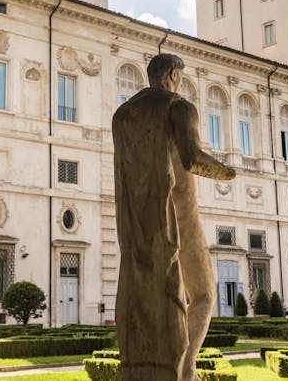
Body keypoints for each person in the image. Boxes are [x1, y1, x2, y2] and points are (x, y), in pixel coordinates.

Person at [113, 53, 237, 381]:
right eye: (180, 77)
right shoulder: (178, 107)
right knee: (204, 295)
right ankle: (186, 370)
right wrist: (227, 172)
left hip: (138, 220)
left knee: (144, 295)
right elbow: (192, 158)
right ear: (172, 74)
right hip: (181, 215)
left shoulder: (124, 114)